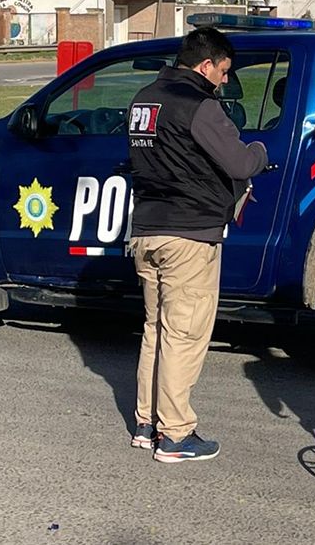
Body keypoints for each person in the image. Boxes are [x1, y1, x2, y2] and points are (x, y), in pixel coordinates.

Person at [126, 27, 268, 462]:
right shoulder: (200, 106)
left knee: (156, 330)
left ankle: (147, 422)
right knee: (184, 336)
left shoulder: (143, 100)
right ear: (206, 65)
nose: (225, 81)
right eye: (224, 72)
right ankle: (175, 435)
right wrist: (261, 151)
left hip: (148, 229)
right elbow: (241, 161)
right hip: (190, 235)